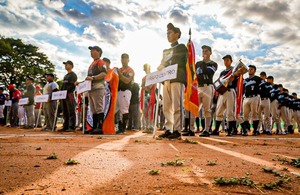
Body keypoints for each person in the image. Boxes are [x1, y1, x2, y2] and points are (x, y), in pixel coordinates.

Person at [157, 23, 188, 139]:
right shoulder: (166, 51)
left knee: (177, 105)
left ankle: (177, 129)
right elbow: (162, 62)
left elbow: (181, 61)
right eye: (167, 33)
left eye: (170, 33)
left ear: (177, 34)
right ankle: (168, 128)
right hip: (166, 79)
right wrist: (160, 67)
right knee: (166, 106)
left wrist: (166, 65)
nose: (168, 35)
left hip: (177, 77)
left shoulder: (181, 47)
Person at [195, 45, 218, 137]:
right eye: (203, 51)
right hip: (198, 87)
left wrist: (204, 62)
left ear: (210, 53)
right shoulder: (198, 63)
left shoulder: (213, 64)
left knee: (207, 110)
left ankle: (206, 130)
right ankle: (191, 128)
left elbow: (208, 73)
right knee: (194, 108)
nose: (204, 52)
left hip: (207, 86)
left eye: (206, 51)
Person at [213, 55, 238, 136]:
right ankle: (216, 129)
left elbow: (239, 80)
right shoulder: (223, 72)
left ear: (231, 61)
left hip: (230, 91)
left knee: (230, 112)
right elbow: (219, 82)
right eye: (224, 60)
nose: (225, 62)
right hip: (222, 93)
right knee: (219, 111)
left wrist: (234, 78)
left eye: (227, 60)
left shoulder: (234, 70)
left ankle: (230, 130)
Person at [85, 46, 107, 134]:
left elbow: (104, 73)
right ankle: (94, 127)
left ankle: (100, 127)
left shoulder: (101, 62)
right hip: (91, 87)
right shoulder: (92, 64)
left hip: (98, 86)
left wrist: (93, 78)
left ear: (98, 52)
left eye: (93, 50)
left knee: (98, 107)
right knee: (93, 109)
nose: (91, 52)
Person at [241, 65, 262, 136]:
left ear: (254, 71)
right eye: (249, 69)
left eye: (251, 69)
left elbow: (262, 87)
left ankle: (255, 130)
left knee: (254, 114)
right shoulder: (245, 80)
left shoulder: (258, 79)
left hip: (255, 97)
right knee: (245, 115)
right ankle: (247, 129)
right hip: (246, 98)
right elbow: (242, 89)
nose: (250, 70)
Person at [116, 53, 135, 134]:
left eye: (125, 58)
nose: (124, 60)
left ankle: (123, 128)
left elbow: (127, 80)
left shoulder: (130, 70)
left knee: (124, 109)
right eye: (122, 58)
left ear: (128, 60)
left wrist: (119, 75)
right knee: (114, 110)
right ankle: (116, 125)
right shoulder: (119, 69)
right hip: (117, 91)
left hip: (125, 90)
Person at [58, 60, 78, 132]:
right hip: (63, 95)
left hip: (69, 94)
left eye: (67, 64)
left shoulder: (73, 75)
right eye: (65, 64)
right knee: (65, 110)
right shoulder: (66, 75)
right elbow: (64, 85)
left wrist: (66, 91)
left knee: (71, 110)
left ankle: (71, 126)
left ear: (71, 66)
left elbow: (71, 85)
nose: (66, 65)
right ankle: (65, 126)